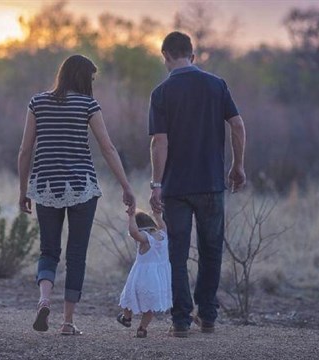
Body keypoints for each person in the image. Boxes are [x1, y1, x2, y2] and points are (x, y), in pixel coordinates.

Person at [18, 54, 135, 335]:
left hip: (45, 186)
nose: (93, 83)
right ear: (83, 77)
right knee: (76, 255)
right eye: (91, 78)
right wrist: (126, 186)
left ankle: (44, 300)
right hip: (82, 187)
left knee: (48, 250)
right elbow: (107, 148)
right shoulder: (88, 105)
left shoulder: (38, 102)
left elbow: (25, 150)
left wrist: (23, 190)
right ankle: (68, 322)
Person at [148, 32, 246, 338]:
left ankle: (180, 321)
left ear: (165, 55)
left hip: (176, 188)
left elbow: (158, 142)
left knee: (177, 253)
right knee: (211, 250)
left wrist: (155, 184)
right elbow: (238, 125)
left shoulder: (161, 92)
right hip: (211, 183)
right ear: (193, 54)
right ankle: (208, 316)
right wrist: (237, 165)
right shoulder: (217, 85)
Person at [117, 210, 172, 338]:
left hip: (141, 278)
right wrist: (157, 214)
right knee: (150, 307)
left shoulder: (146, 239)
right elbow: (162, 224)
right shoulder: (163, 234)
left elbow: (133, 232)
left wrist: (131, 217)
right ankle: (142, 328)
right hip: (157, 280)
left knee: (129, 297)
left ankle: (126, 318)